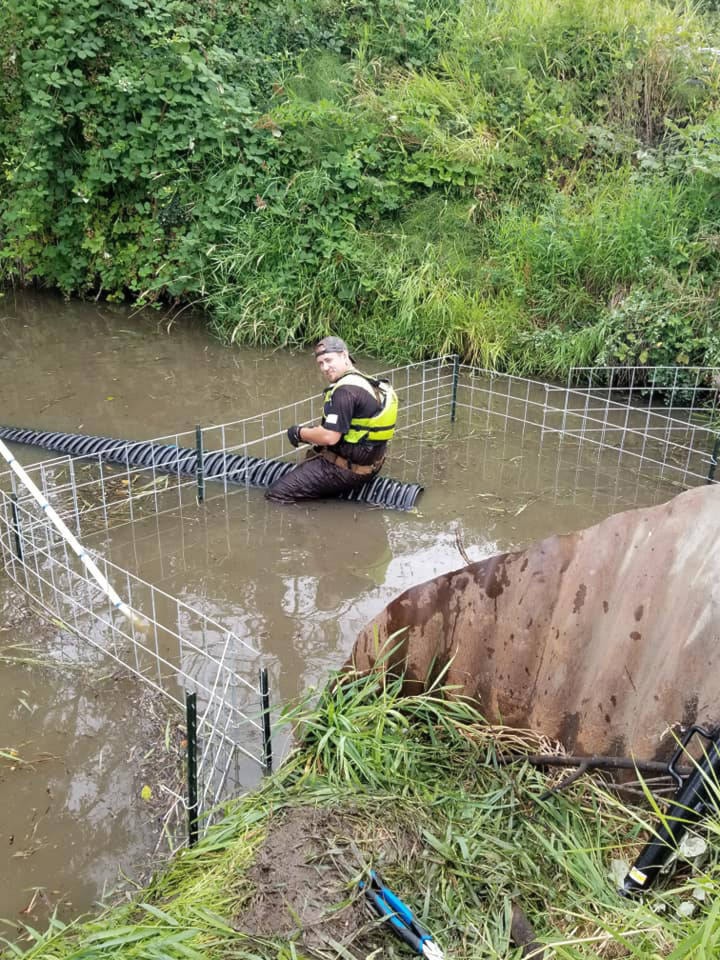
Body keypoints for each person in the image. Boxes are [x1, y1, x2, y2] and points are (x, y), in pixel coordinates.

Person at [266, 336, 398, 503]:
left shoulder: (345, 391)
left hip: (349, 470)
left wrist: (298, 433)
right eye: (320, 363)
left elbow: (330, 437)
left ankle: (318, 526)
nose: (325, 368)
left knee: (276, 494)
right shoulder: (367, 382)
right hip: (373, 464)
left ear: (344, 355)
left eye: (328, 360)